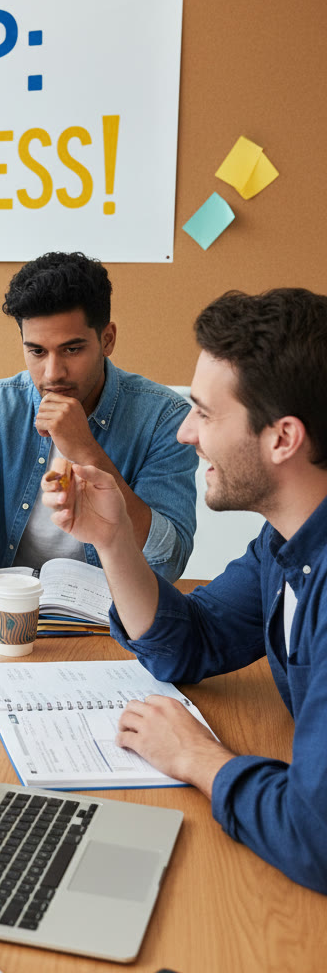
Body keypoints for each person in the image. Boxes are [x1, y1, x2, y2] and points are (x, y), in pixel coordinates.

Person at [42, 286, 327, 893]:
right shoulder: (285, 541)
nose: (185, 433)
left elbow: (317, 837)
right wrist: (114, 540)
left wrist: (195, 756)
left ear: (282, 438)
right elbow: (191, 643)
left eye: (204, 413)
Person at [0, 251, 197, 580]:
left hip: (111, 605)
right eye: (37, 351)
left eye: (72, 350)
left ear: (107, 339)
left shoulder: (164, 417)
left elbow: (168, 559)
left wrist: (86, 450)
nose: (52, 373)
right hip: (11, 604)